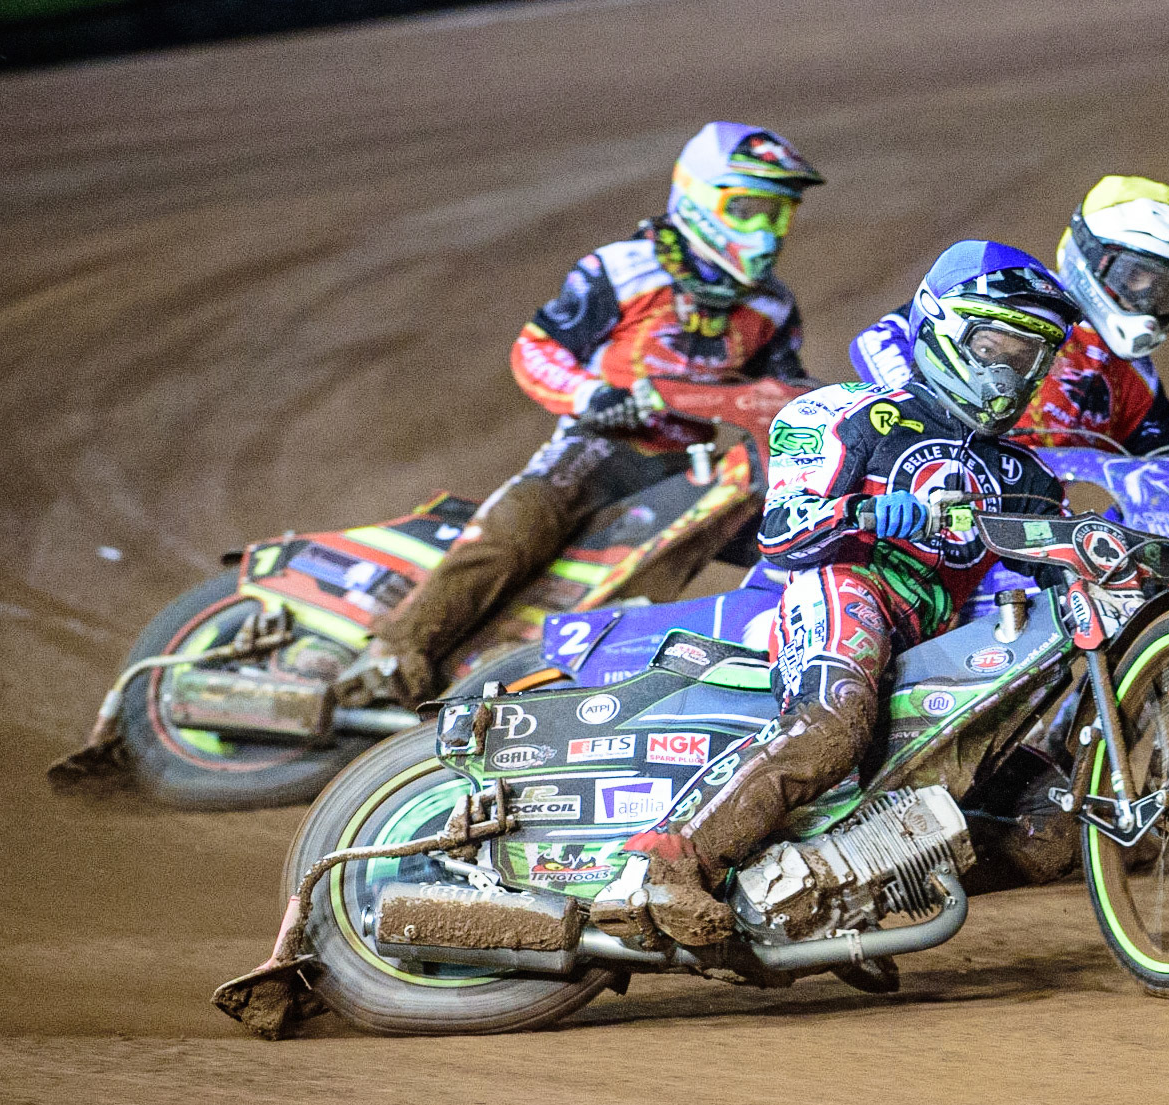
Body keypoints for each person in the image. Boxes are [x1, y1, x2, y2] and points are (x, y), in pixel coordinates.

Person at [597, 240, 1086, 945]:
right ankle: (661, 865)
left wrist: (1163, 564)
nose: (1011, 372)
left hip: (936, 637)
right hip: (845, 587)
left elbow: (1066, 559)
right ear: (944, 328)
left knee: (1045, 832)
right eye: (996, 347)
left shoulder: (1024, 474)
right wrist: (866, 514)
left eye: (1030, 356)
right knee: (834, 725)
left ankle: (835, 896)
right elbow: (782, 534)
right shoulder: (850, 412)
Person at [337, 122, 824, 707]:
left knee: (664, 575)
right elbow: (535, 349)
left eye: (779, 213)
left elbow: (783, 392)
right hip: (598, 442)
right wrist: (590, 394)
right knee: (520, 525)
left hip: (683, 467)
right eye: (748, 209)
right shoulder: (624, 269)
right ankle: (397, 650)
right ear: (697, 198)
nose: (766, 230)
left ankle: (537, 677)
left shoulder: (771, 305)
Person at [850, 175, 1169, 455]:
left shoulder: (1134, 376)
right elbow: (877, 340)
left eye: (1167, 289)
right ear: (1094, 256)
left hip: (1029, 512)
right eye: (1136, 276)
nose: (1148, 298)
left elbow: (1165, 466)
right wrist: (923, 417)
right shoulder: (1019, 300)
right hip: (928, 476)